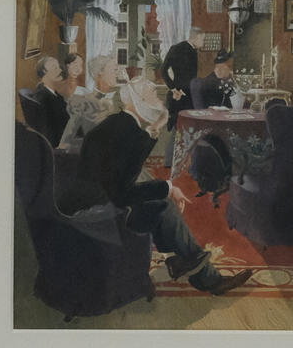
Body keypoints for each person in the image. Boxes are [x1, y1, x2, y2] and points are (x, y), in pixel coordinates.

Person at [79, 109, 253, 296]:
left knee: (159, 200)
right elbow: (123, 192)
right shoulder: (109, 146)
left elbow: (127, 182)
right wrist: (168, 189)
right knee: (164, 207)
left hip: (107, 205)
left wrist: (165, 189)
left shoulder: (103, 139)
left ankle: (185, 263)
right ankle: (203, 275)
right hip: (108, 215)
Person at [161, 26, 205, 165]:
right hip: (180, 97)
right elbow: (163, 70)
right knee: (179, 128)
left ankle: (182, 161)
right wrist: (173, 88)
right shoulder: (177, 48)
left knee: (186, 129)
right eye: (202, 39)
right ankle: (170, 162)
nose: (203, 42)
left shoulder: (191, 50)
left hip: (189, 95)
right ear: (195, 38)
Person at [31, 55, 70, 147]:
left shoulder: (53, 93)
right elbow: (47, 132)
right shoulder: (43, 97)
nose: (60, 70)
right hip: (59, 145)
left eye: (58, 67)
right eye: (54, 68)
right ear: (44, 72)